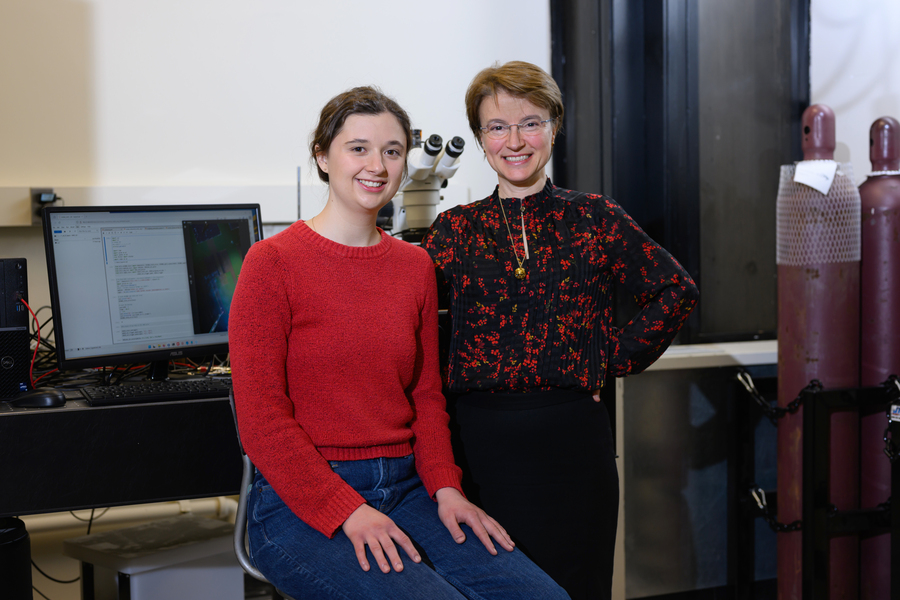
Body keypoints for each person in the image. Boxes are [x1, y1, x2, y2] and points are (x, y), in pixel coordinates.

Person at [229, 86, 569, 600]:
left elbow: (425, 397)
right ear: (323, 156)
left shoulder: (415, 266)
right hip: (301, 501)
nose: (378, 165)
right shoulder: (271, 263)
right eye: (358, 148)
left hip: (408, 489)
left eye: (392, 151)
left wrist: (448, 489)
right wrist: (343, 509)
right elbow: (261, 419)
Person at [421, 61, 700, 600]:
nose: (515, 140)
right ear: (481, 138)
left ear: (554, 126)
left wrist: (607, 358)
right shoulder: (455, 229)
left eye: (531, 122)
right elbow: (412, 328)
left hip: (573, 446)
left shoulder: (594, 216)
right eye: (497, 127)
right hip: (478, 449)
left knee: (575, 587)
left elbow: (675, 290)